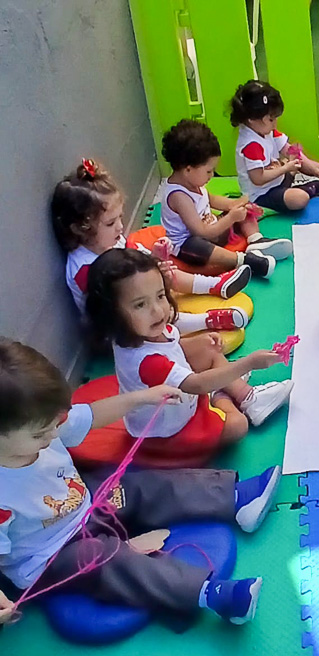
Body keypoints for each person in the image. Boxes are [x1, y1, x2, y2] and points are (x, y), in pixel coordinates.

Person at [0, 338, 281, 626]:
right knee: (104, 558)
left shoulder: (44, 426)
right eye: (40, 435)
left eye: (54, 425)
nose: (52, 436)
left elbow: (92, 416)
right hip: (51, 556)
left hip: (85, 504)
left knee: (135, 487)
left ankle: (234, 498)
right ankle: (211, 594)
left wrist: (142, 398)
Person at [86, 249, 294, 448]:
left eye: (160, 296)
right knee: (238, 425)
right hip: (170, 429)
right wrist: (249, 363)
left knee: (208, 347)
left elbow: (171, 348)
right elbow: (196, 384)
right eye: (140, 305)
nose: (158, 310)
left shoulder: (140, 330)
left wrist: (201, 342)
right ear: (112, 314)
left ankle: (247, 397)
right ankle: (220, 395)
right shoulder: (148, 362)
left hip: (179, 395)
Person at [52, 158, 252, 334]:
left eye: (120, 217)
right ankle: (206, 321)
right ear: (81, 229)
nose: (120, 227)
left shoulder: (109, 242)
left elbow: (132, 258)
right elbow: (118, 307)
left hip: (134, 300)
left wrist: (155, 258)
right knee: (157, 309)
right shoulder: (86, 269)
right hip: (118, 329)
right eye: (111, 223)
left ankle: (213, 285)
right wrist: (153, 284)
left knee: (164, 272)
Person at [160, 119, 293, 276]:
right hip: (193, 243)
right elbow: (201, 232)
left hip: (213, 229)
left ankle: (256, 240)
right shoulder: (179, 196)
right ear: (188, 169)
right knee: (197, 246)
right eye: (209, 171)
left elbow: (212, 200)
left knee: (243, 210)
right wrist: (231, 218)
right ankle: (245, 261)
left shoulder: (193, 181)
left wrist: (236, 204)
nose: (211, 175)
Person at [230, 80, 319, 213]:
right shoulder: (251, 144)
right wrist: (285, 168)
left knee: (295, 156)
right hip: (261, 194)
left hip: (278, 181)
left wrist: (314, 169)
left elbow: (289, 150)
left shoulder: (266, 131)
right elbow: (258, 179)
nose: (275, 124)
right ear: (252, 119)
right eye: (271, 120)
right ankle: (306, 188)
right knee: (299, 199)